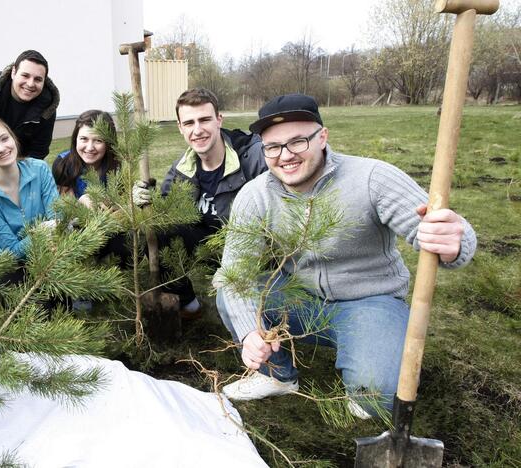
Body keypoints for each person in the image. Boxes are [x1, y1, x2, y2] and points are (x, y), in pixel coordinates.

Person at [214, 94, 477, 418]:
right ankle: (276, 376)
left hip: (370, 301)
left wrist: (455, 242)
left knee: (374, 399)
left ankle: (368, 360)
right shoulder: (255, 196)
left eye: (298, 142)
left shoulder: (371, 179)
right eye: (273, 147)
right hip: (301, 299)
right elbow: (233, 274)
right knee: (230, 294)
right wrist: (249, 333)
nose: (285, 156)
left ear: (322, 137)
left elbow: (443, 231)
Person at [133, 88, 267, 318]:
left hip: (252, 248)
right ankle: (189, 304)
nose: (197, 130)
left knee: (243, 309)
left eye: (205, 119)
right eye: (189, 123)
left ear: (219, 120)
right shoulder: (182, 168)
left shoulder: (252, 156)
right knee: (156, 231)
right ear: (180, 127)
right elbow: (166, 213)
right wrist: (146, 198)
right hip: (207, 247)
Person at [0, 117, 59, 262]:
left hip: (54, 251)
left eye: (4, 139)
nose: (1, 149)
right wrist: (41, 233)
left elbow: (57, 218)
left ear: (13, 138)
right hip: (18, 265)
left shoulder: (39, 169)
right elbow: (12, 252)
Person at [52, 110, 120, 209]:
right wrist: (80, 202)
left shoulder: (118, 164)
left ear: (109, 143)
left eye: (98, 140)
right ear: (75, 139)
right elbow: (65, 208)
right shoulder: (64, 164)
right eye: (84, 139)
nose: (89, 148)